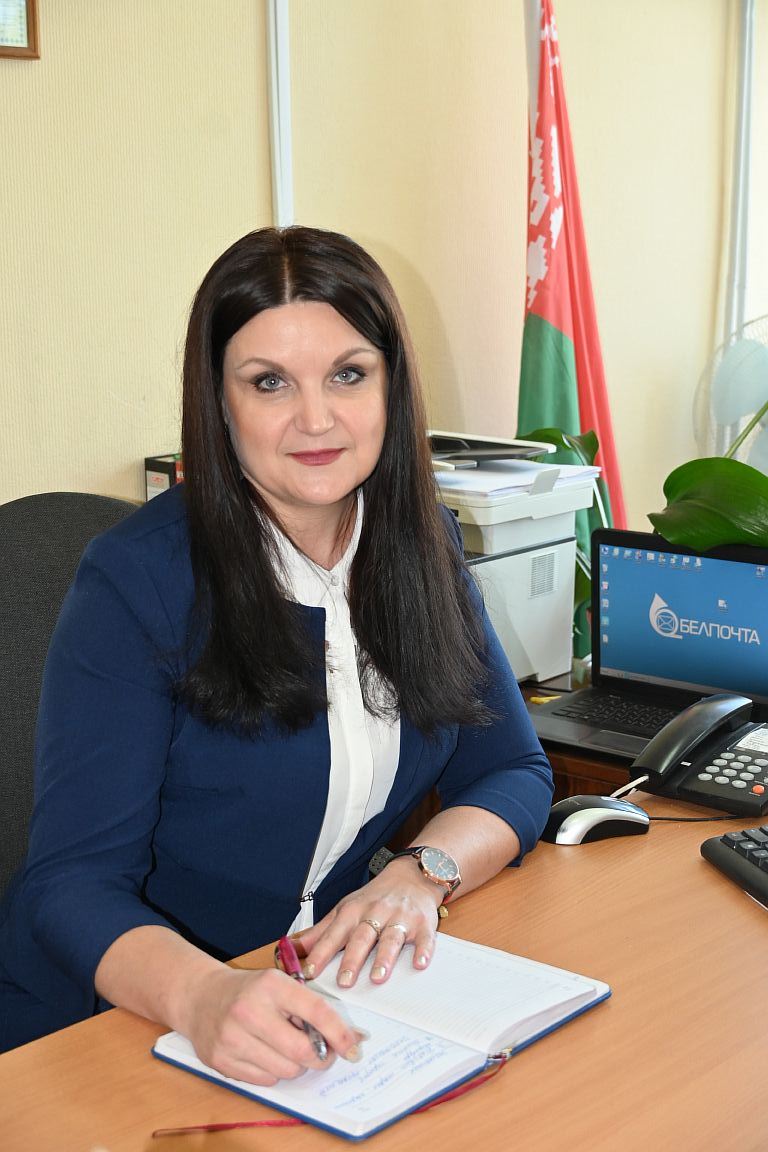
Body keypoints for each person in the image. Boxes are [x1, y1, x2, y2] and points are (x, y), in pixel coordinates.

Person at [0, 226, 553, 1081]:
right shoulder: (139, 582)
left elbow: (512, 768)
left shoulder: (423, 547)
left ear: (392, 386)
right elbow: (69, 886)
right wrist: (202, 995)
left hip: (321, 997)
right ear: (218, 402)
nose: (317, 418)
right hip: (105, 1025)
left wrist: (419, 875)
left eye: (348, 374)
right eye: (269, 383)